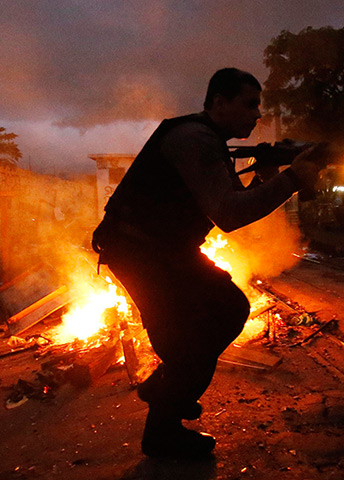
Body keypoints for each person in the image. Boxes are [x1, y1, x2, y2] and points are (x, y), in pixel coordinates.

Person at [92, 68, 322, 457]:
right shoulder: (196, 140)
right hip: (141, 251)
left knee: (222, 311)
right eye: (249, 104)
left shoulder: (206, 140)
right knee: (193, 335)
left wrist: (267, 178)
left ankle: (164, 390)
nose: (256, 115)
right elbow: (228, 214)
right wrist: (293, 179)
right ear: (219, 102)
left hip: (162, 250)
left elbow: (230, 202)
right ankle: (163, 428)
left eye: (258, 106)